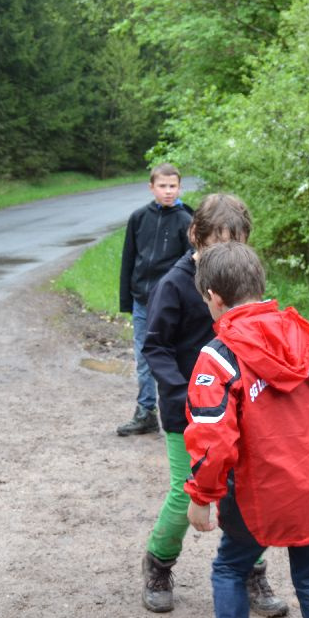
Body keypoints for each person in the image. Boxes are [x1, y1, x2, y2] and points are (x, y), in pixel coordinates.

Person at [185, 242, 309, 618]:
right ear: (259, 285)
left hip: (257, 492)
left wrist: (201, 497)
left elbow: (212, 437)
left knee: (229, 569)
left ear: (214, 298)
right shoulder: (303, 339)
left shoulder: (218, 356)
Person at [139, 194, 287, 617]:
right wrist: (184, 394)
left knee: (246, 496)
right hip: (187, 413)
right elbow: (156, 347)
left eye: (236, 243)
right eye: (218, 242)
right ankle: (158, 565)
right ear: (195, 236)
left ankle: (251, 572)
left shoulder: (241, 282)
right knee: (185, 492)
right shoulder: (173, 285)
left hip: (240, 407)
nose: (227, 252)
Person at [117, 164, 194, 436]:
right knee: (144, 357)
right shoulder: (139, 218)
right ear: (151, 187)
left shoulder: (186, 221)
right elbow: (129, 259)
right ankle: (145, 412)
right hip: (141, 301)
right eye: (162, 186)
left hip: (171, 304)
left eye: (173, 186)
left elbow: (192, 265)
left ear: (180, 188)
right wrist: (126, 299)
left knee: (173, 357)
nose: (168, 191)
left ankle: (183, 411)